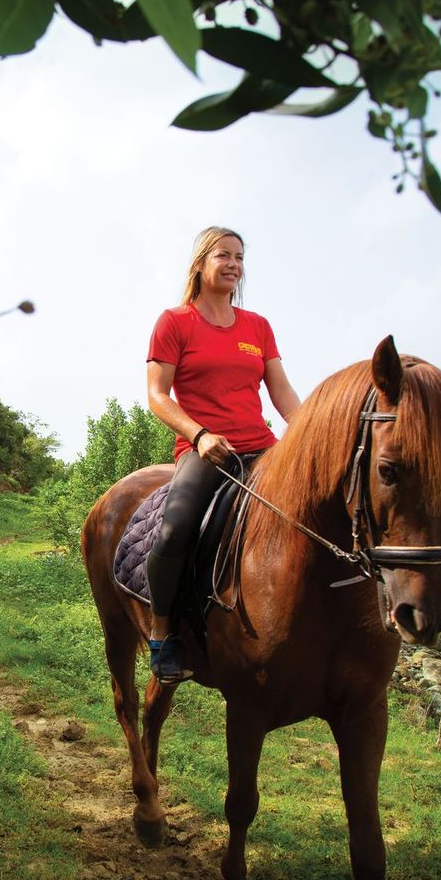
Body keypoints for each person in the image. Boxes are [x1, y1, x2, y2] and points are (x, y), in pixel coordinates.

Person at [144, 226, 302, 683]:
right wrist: (199, 436)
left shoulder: (258, 327)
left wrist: (308, 433)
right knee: (174, 530)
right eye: (223, 255)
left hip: (262, 447)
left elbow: (282, 392)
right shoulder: (174, 322)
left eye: (239, 257)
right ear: (200, 264)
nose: (234, 264)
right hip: (206, 451)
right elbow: (157, 396)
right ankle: (163, 634)